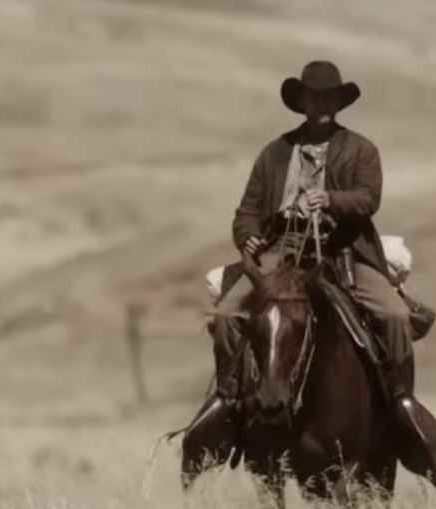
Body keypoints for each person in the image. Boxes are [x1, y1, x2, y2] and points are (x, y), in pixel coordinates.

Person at [180, 60, 423, 483]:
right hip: (280, 255)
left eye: (329, 97)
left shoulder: (361, 149)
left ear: (338, 101)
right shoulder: (274, 153)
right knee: (224, 318)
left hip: (341, 253)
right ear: (302, 101)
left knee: (395, 315)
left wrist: (328, 199)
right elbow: (246, 212)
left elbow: (369, 198)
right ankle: (230, 399)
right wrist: (249, 238)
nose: (321, 104)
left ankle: (402, 406)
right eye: (314, 96)